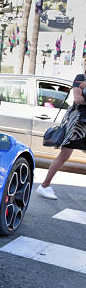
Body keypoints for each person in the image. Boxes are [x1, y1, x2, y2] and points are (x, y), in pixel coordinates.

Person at [37, 64, 86, 199]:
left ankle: (44, 186)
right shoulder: (80, 78)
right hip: (78, 125)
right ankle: (44, 186)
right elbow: (78, 99)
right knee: (64, 155)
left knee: (64, 155)